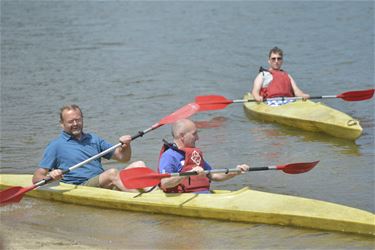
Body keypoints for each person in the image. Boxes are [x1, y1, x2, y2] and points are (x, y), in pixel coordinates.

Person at [32, 104, 145, 192]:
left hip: (102, 182)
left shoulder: (94, 139)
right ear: (62, 124)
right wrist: (51, 176)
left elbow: (123, 157)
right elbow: (36, 177)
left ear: (82, 119)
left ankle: (155, 193)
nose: (75, 124)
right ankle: (142, 199)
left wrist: (126, 145)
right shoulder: (56, 146)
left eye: (78, 119)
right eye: (70, 121)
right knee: (112, 173)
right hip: (81, 188)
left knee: (139, 165)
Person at [158, 119, 250, 193]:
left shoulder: (194, 155)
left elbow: (214, 175)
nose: (198, 138)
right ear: (182, 136)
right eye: (194, 134)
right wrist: (188, 173)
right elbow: (165, 183)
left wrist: (235, 171)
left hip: (203, 194)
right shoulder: (169, 156)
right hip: (183, 197)